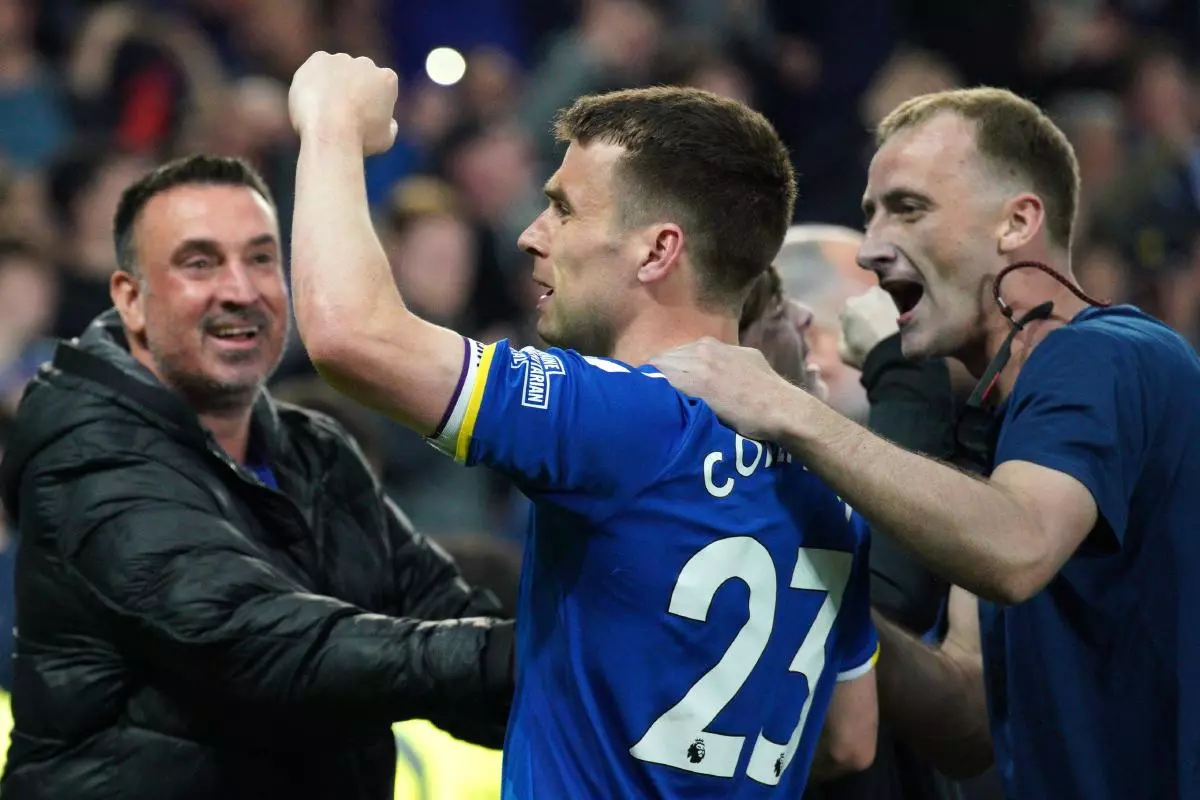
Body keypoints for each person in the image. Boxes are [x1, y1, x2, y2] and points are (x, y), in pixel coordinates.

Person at [286, 52, 879, 798]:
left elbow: (350, 335)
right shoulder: (834, 487)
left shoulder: (627, 417)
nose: (533, 235)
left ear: (659, 250)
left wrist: (332, 123)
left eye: (564, 208)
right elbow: (849, 740)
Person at [652, 87, 1200, 799]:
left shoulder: (1103, 354)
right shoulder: (1000, 434)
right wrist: (804, 601)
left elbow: (1017, 547)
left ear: (1017, 222)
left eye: (909, 208)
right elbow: (967, 719)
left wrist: (784, 408)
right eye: (871, 213)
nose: (876, 248)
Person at [0, 154, 515, 800]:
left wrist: (597, 668)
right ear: (131, 300)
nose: (240, 289)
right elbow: (261, 642)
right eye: (199, 262)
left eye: (261, 258)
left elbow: (447, 615)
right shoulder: (85, 458)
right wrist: (520, 659)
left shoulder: (318, 454)